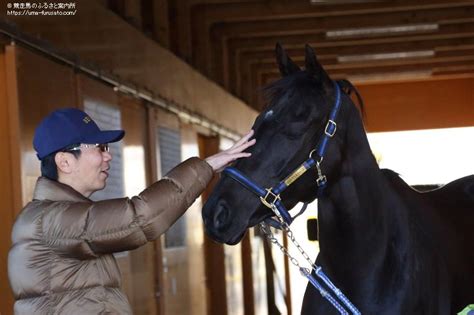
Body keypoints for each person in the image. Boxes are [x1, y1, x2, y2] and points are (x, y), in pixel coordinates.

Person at [7, 108, 255, 315]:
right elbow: (139, 218)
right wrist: (205, 167)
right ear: (65, 161)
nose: (108, 157)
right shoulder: (50, 220)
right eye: (100, 147)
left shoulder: (55, 216)